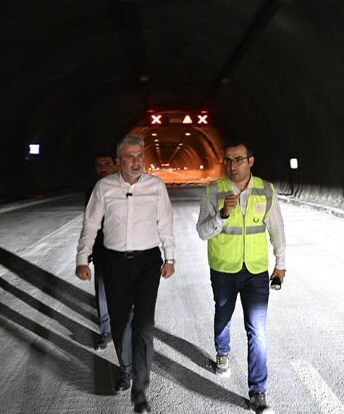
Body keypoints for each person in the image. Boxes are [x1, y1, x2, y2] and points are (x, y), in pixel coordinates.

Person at [75, 134, 175, 414]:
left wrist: (170, 257)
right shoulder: (104, 187)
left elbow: (165, 223)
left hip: (147, 263)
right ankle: (126, 369)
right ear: (119, 161)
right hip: (115, 262)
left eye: (140, 155)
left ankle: (140, 389)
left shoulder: (156, 187)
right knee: (120, 324)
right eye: (130, 156)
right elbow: (91, 224)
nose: (137, 161)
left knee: (143, 325)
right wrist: (82, 258)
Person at [196, 139, 286, 413]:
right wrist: (223, 214)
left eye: (238, 160)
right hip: (224, 269)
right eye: (228, 160)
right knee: (223, 315)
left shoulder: (266, 190)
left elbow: (277, 229)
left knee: (257, 331)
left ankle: (258, 392)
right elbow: (202, 232)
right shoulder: (213, 191)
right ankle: (222, 353)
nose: (232, 166)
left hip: (256, 271)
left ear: (251, 161)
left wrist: (280, 264)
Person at [87, 152, 118, 350]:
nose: (103, 168)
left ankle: (128, 325)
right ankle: (106, 331)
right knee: (103, 292)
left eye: (107, 163)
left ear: (116, 165)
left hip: (125, 249)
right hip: (102, 251)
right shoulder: (91, 192)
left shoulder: (126, 188)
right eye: (99, 165)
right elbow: (89, 223)